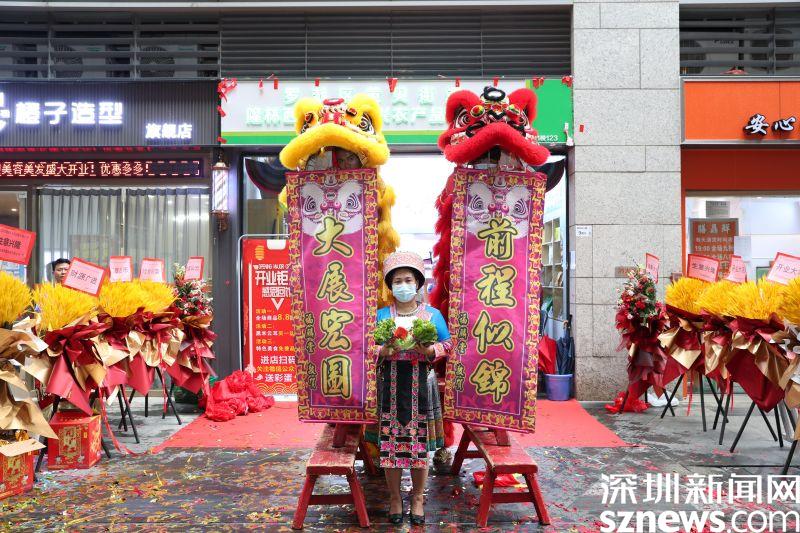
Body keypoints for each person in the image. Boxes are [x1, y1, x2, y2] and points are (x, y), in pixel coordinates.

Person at [371, 251, 451, 525]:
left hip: (421, 385)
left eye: (408, 280)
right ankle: (395, 498)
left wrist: (429, 350)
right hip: (390, 386)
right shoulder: (381, 315)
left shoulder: (432, 315)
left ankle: (417, 498)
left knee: (419, 447)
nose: (403, 285)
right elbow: (366, 348)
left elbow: (449, 344)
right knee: (390, 446)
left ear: (417, 283)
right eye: (397, 281)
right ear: (390, 286)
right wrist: (383, 350)